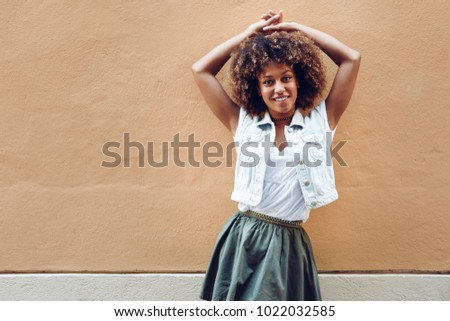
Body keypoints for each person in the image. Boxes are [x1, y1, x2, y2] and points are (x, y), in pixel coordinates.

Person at [192, 9, 361, 301]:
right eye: (268, 82)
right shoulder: (242, 122)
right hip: (244, 236)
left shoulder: (322, 120)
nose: (279, 88)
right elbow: (201, 70)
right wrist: (249, 35)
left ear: (300, 81)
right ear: (257, 89)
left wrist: (295, 30)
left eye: (286, 78)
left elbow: (351, 59)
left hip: (290, 241)